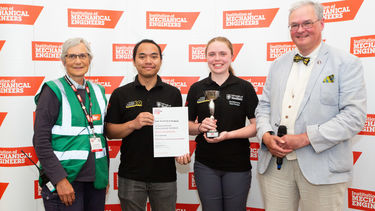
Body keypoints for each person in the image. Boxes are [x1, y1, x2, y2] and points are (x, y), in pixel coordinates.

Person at [255, 1, 367, 211]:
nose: (300, 30)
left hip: (323, 167)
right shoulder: (278, 64)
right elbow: (263, 107)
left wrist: (305, 138)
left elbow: (354, 117)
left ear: (322, 24)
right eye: (294, 25)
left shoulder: (346, 63)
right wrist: (266, 135)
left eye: (307, 23)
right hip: (276, 166)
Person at [105, 39, 190, 211]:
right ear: (134, 60)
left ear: (160, 60)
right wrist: (132, 124)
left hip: (165, 176)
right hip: (131, 175)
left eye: (154, 56)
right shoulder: (121, 93)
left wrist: (180, 151)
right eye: (142, 56)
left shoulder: (173, 93)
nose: (148, 61)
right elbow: (109, 132)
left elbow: (177, 130)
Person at [33, 37, 109, 211]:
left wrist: (103, 177)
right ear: (63, 60)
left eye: (83, 55)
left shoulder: (98, 91)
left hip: (95, 181)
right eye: (71, 56)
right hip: (66, 181)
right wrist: (59, 180)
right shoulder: (53, 90)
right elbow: (40, 140)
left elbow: (101, 136)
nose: (78, 61)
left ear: (89, 59)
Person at [186, 36, 258, 211]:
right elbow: (186, 124)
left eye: (222, 53)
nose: (217, 58)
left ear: (231, 56)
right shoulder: (197, 88)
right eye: (212, 54)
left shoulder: (244, 87)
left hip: (237, 164)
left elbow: (257, 126)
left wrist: (229, 135)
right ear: (206, 57)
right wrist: (199, 127)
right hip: (205, 164)